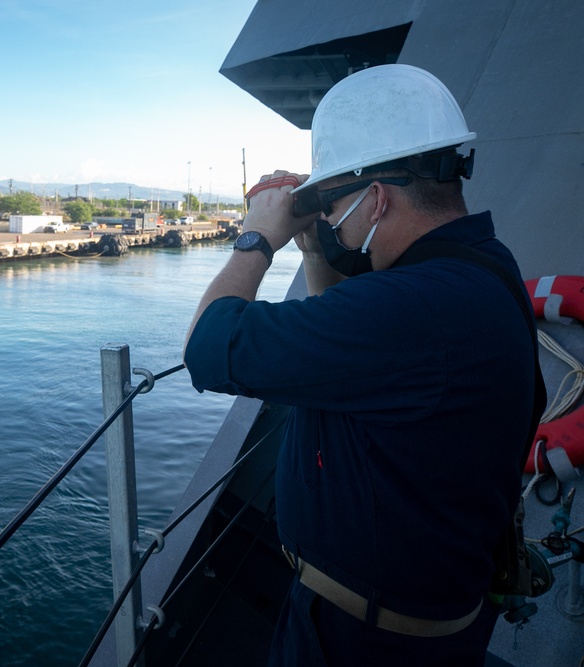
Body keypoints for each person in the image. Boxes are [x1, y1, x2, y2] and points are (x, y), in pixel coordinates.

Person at [183, 64, 539, 666]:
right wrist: (319, 252)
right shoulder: (480, 268)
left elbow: (209, 348)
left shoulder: (412, 307)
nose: (326, 216)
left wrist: (257, 239)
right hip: (425, 627)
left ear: (375, 200)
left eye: (334, 201)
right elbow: (348, 359)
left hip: (360, 645)